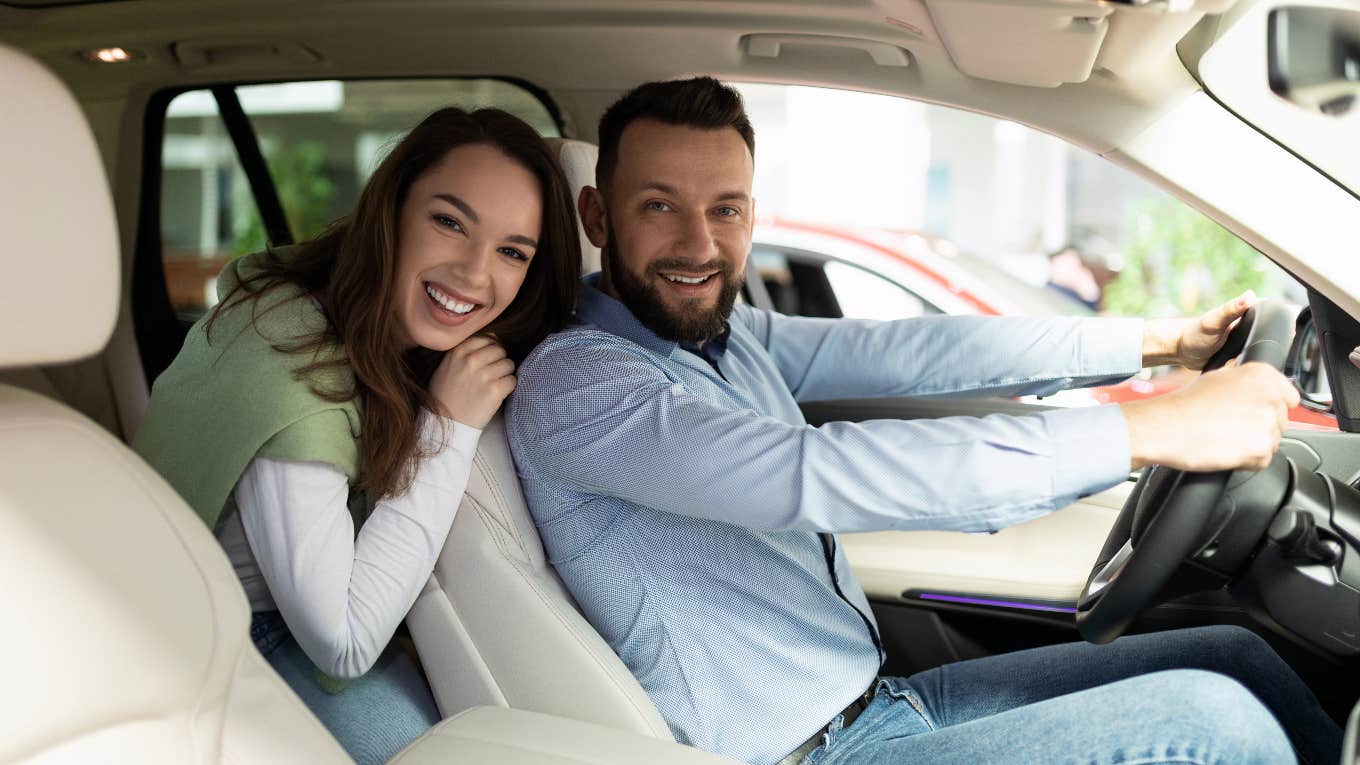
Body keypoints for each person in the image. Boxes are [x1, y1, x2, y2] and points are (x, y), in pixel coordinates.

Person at [505, 78, 1340, 765]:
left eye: (725, 209)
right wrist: (1148, 432)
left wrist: (1153, 343)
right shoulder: (580, 388)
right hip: (810, 754)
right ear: (596, 218)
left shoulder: (723, 335)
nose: (698, 242)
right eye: (660, 206)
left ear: (752, 217)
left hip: (883, 701)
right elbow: (815, 473)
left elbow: (917, 351)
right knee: (1217, 722)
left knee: (1236, 655)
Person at [134, 107, 580, 764]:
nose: (475, 273)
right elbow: (341, 639)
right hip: (214, 631)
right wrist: (449, 429)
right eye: (450, 222)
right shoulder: (290, 377)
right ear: (391, 212)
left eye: (512, 251)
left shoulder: (367, 319)